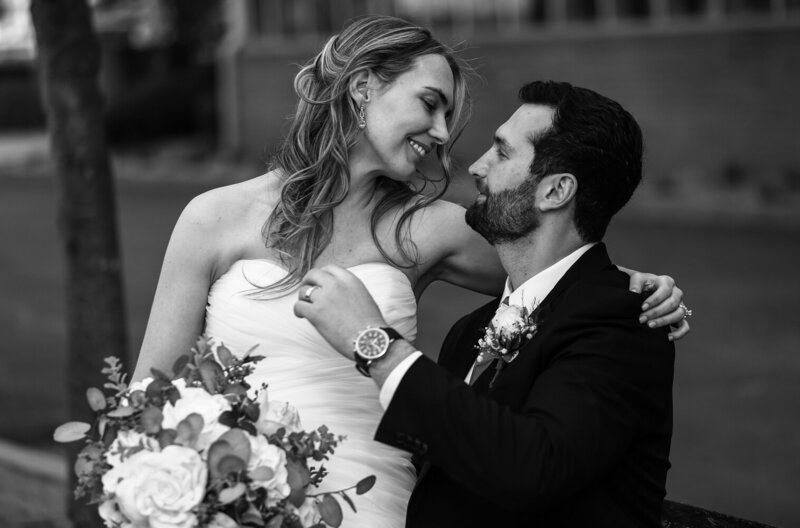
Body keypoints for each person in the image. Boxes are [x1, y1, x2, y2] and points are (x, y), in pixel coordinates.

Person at [134, 16, 688, 528]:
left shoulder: (433, 230)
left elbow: (558, 263)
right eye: (430, 103)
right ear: (363, 88)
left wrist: (643, 289)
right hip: (229, 497)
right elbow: (149, 394)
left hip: (371, 502)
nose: (444, 132)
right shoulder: (214, 217)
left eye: (448, 114)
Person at [295, 80, 681, 527]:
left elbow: (531, 468)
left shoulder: (627, 324)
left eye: (501, 152)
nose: (477, 166)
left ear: (555, 191)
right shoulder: (469, 331)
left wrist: (375, 343)